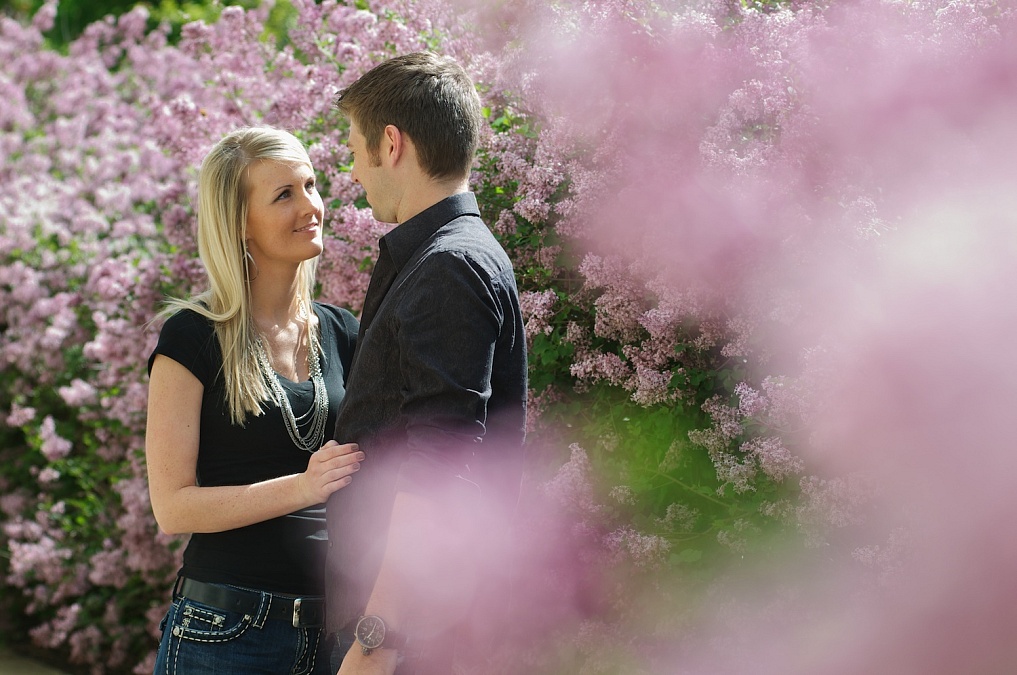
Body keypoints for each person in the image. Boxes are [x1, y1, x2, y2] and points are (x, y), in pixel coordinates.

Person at [325, 52, 528, 675]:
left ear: (392, 144)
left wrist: (376, 641)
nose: (353, 169)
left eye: (356, 148)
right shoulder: (443, 254)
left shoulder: (449, 266)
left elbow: (438, 463)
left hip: (402, 635)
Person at [145, 126, 363, 675]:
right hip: (225, 634)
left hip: (333, 634)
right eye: (283, 195)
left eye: (310, 185)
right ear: (239, 223)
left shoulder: (343, 333)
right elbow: (172, 507)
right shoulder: (192, 337)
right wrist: (304, 487)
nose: (311, 206)